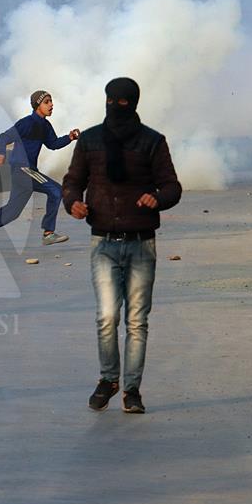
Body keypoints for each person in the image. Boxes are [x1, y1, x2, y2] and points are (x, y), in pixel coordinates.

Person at [62, 78, 182, 414]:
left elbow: (172, 186)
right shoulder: (90, 140)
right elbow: (73, 181)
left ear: (133, 103)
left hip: (142, 244)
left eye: (122, 102)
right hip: (103, 243)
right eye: (111, 100)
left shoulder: (152, 142)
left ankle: (131, 390)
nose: (116, 106)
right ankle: (108, 379)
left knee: (136, 321)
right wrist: (72, 202)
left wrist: (156, 198)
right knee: (106, 316)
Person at [0, 90, 79, 251]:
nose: (51, 105)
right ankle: (48, 233)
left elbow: (53, 144)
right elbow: (3, 137)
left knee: (12, 212)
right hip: (22, 169)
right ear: (37, 105)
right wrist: (1, 153)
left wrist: (70, 137)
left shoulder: (45, 126)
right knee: (56, 191)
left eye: (51, 101)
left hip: (27, 171)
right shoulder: (26, 123)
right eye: (47, 102)